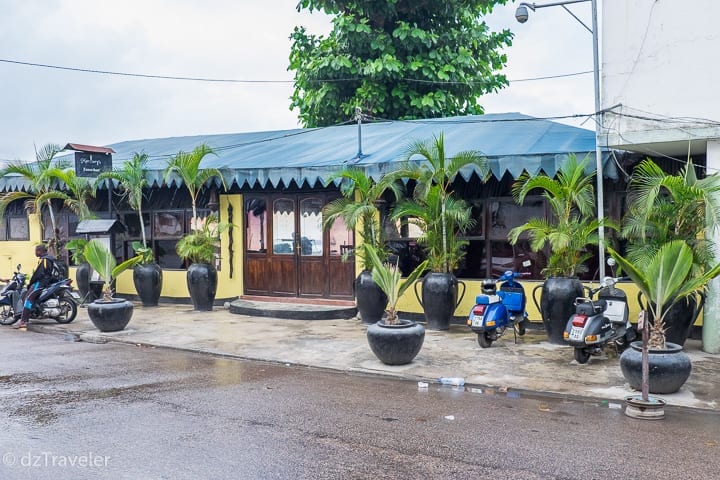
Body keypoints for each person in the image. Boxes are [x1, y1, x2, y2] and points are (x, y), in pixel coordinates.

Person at [14, 244, 55, 330]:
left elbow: (38, 274)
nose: (35, 252)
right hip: (45, 282)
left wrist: (31, 282)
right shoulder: (49, 259)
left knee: (28, 300)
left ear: (41, 251)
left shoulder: (44, 260)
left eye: (36, 251)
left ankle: (23, 321)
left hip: (41, 283)